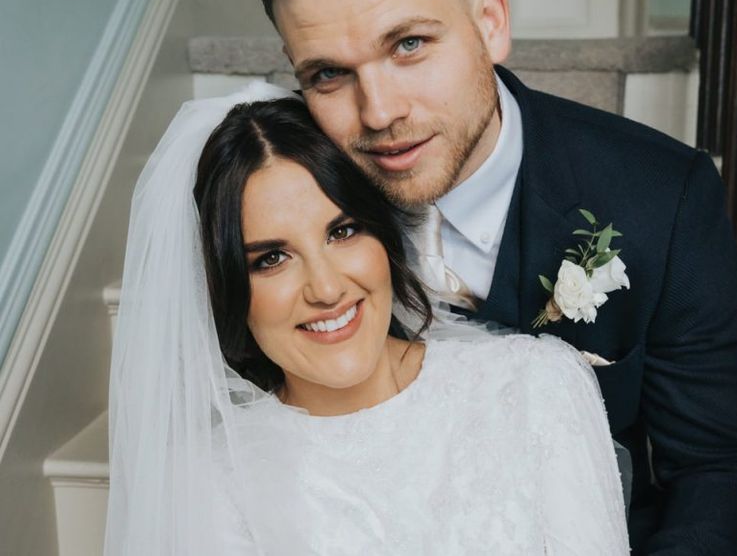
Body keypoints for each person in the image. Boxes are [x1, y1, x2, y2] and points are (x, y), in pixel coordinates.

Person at [245, 0, 737, 553]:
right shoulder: (281, 199)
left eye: (409, 44)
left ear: (489, 20)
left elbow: (721, 467)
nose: (378, 113)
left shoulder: (661, 198)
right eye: (329, 74)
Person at [104, 81, 629, 554]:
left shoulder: (536, 387)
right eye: (271, 258)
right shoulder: (209, 482)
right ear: (228, 291)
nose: (327, 288)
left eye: (342, 231)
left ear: (386, 235)